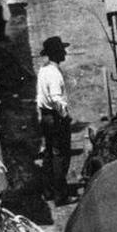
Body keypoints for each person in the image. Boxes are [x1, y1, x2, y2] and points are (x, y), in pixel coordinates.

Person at [36, 36, 73, 206]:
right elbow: (56, 98)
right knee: (60, 156)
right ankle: (61, 195)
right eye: (62, 50)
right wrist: (65, 116)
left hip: (45, 116)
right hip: (56, 117)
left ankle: (48, 190)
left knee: (49, 154)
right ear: (56, 53)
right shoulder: (54, 73)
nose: (65, 53)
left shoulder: (43, 70)